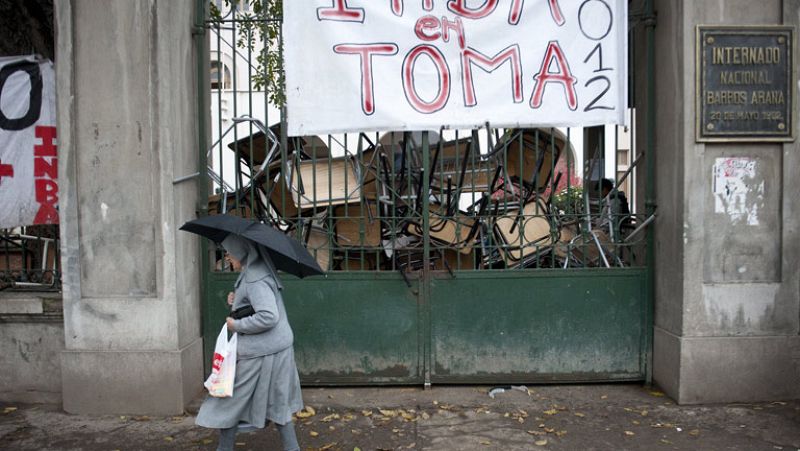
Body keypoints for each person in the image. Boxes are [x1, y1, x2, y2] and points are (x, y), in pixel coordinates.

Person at [196, 234, 303, 451]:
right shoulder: (254, 272)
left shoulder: (255, 278)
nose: (228, 257)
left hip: (265, 352)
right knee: (276, 403)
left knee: (230, 400)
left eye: (230, 253)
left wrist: (237, 325)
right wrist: (236, 300)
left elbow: (269, 316)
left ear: (242, 253)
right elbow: (257, 304)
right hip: (271, 349)